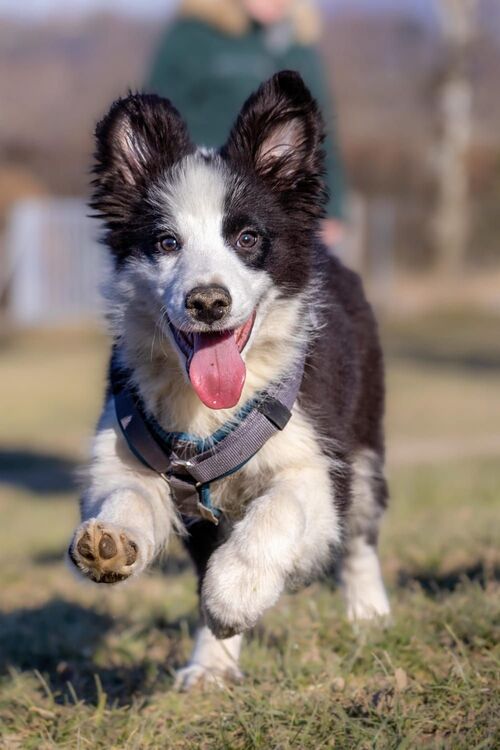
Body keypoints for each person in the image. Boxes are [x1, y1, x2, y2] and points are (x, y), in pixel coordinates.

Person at [146, 0, 347, 246]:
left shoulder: (300, 46)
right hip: (199, 198)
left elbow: (322, 133)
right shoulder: (191, 37)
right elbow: (155, 117)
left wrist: (333, 206)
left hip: (283, 200)